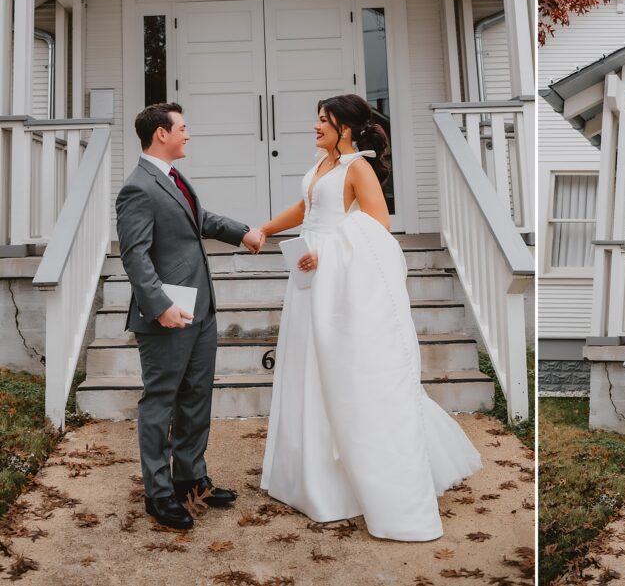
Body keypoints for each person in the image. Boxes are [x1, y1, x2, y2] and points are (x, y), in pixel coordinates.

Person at [257, 94, 482, 541]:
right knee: (306, 369)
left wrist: (327, 252)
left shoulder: (357, 167)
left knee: (340, 372)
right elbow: (306, 209)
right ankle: (307, 476)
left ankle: (351, 481)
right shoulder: (321, 165)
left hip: (335, 281)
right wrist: (264, 229)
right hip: (307, 281)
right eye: (317, 118)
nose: (316, 126)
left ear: (345, 128)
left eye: (324, 120)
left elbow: (379, 226)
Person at [115, 102, 266, 531]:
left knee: (196, 397)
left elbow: (200, 220)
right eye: (182, 127)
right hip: (168, 312)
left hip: (200, 308)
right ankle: (158, 494)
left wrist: (243, 233)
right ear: (161, 134)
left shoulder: (174, 178)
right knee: (160, 401)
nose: (188, 134)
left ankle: (190, 479)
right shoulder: (137, 188)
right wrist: (159, 305)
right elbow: (135, 255)